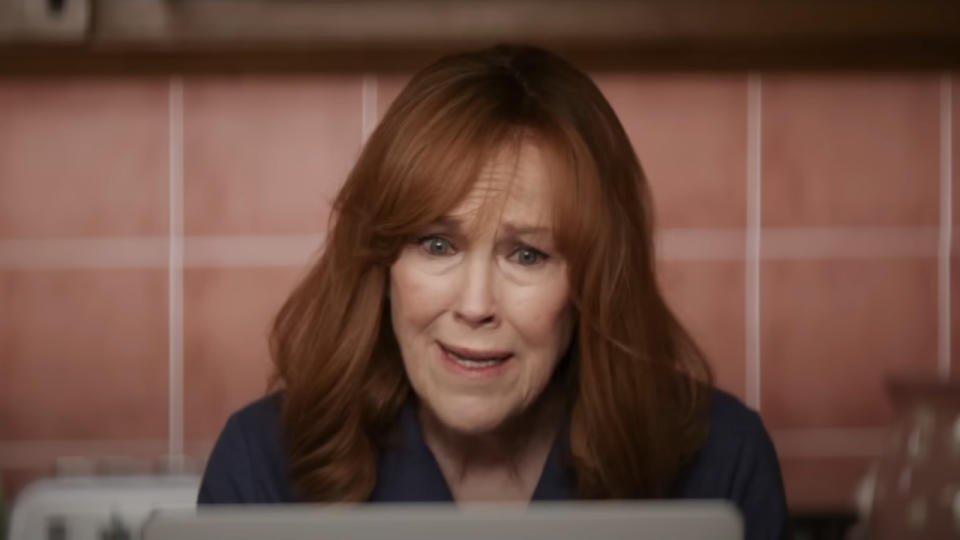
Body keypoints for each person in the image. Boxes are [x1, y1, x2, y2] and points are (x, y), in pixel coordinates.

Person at [198, 44, 789, 540]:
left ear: (592, 283)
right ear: (380, 262)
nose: (475, 305)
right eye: (436, 245)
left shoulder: (722, 461)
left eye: (527, 255)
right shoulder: (262, 465)